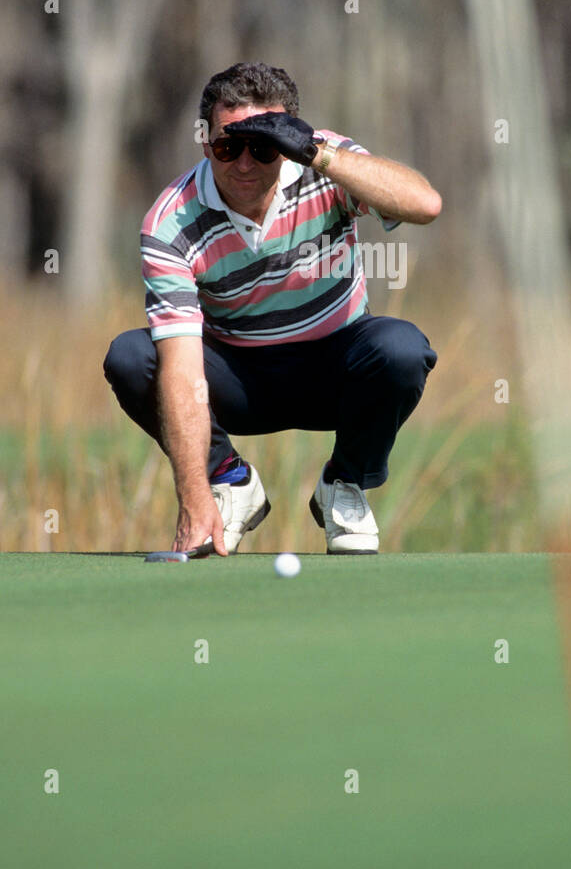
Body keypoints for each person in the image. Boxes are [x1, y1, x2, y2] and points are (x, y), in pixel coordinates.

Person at [103, 62, 441, 556]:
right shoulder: (170, 219)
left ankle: (343, 483)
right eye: (227, 146)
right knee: (132, 357)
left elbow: (424, 204)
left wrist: (316, 152)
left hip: (335, 368)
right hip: (237, 379)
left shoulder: (323, 164)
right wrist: (195, 497)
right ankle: (230, 482)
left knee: (401, 348)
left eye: (265, 147)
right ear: (205, 143)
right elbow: (179, 364)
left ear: (289, 144)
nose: (244, 163)